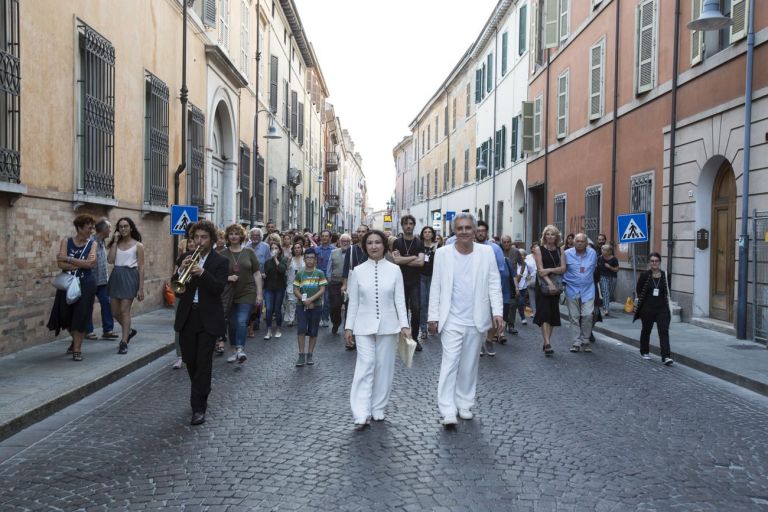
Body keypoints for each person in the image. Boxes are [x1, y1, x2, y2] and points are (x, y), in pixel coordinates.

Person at [428, 213, 503, 428]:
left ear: (475, 230)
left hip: (476, 318)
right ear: (454, 230)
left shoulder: (486, 252)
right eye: (459, 228)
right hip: (451, 319)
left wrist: (497, 312)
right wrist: (433, 316)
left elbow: (493, 284)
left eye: (468, 228)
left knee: (469, 365)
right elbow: (436, 286)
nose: (464, 232)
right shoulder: (442, 254)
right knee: (450, 363)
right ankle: (447, 409)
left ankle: (465, 404)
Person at [345, 230, 410, 430]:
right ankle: (361, 412)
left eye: (378, 242)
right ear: (365, 246)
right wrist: (348, 327)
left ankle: (378, 407)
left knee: (384, 366)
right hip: (362, 326)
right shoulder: (357, 271)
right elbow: (353, 302)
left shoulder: (394, 270)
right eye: (370, 243)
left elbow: (400, 299)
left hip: (389, 325)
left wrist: (405, 325)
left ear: (384, 245)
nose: (374, 246)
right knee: (366, 364)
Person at [174, 220, 228, 425]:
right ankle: (201, 389)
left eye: (204, 237)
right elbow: (175, 284)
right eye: (196, 237)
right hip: (188, 316)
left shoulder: (220, 262)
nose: (199, 241)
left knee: (204, 362)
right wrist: (182, 272)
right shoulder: (184, 258)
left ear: (212, 239)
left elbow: (218, 288)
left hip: (208, 318)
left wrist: (202, 273)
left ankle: (198, 407)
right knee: (190, 360)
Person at [47, 214, 98, 362]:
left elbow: (89, 264)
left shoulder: (92, 244)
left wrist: (68, 259)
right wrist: (80, 263)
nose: (91, 230)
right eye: (89, 227)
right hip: (67, 284)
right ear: (79, 228)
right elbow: (60, 264)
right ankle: (75, 340)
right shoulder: (66, 241)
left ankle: (77, 349)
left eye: (92, 227)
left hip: (86, 284)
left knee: (81, 316)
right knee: (65, 315)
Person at [221, 224, 263, 363]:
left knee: (241, 320)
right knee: (232, 323)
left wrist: (259, 294)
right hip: (229, 293)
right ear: (228, 237)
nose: (233, 236)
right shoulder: (222, 254)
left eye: (236, 234)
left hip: (248, 291)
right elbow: (217, 275)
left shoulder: (249, 252)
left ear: (241, 237)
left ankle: (240, 349)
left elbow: (257, 274)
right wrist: (227, 277)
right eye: (231, 234)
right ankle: (233, 350)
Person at [107, 217, 144, 355]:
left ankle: (124, 342)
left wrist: (140, 288)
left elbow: (141, 267)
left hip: (130, 277)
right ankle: (128, 330)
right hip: (116, 275)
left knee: (124, 310)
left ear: (131, 228)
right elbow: (110, 260)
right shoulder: (115, 244)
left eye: (126, 226)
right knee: (114, 312)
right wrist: (115, 242)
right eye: (120, 226)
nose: (123, 229)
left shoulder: (138, 245)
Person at [475, 220, 509, 356]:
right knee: (476, 316)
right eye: (478, 231)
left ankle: (489, 340)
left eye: (483, 231)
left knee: (494, 316)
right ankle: (478, 343)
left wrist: (497, 288)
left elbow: (501, 269)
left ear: (487, 232)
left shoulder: (494, 248)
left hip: (491, 288)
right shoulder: (469, 247)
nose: (480, 233)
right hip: (475, 289)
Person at [634, 253, 674, 365]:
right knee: (646, 330)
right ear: (649, 262)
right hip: (648, 308)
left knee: (664, 331)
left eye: (656, 261)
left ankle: (666, 357)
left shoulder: (665, 275)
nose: (654, 263)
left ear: (660, 262)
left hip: (662, 308)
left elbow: (667, 291)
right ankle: (644, 351)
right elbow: (639, 290)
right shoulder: (644, 275)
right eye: (652, 261)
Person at [392, 215, 424, 351]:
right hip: (400, 282)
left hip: (415, 282)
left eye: (411, 223)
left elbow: (421, 262)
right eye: (406, 224)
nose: (408, 226)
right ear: (402, 226)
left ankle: (415, 338)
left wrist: (403, 259)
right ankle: (404, 338)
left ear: (414, 225)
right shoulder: (397, 242)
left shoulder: (419, 243)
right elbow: (396, 261)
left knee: (416, 311)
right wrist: (412, 257)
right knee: (402, 311)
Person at [533, 226, 566, 356]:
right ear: (544, 236)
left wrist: (550, 270)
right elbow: (540, 270)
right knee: (545, 313)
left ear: (556, 236)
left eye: (552, 234)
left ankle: (547, 341)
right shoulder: (538, 249)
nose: (550, 236)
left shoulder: (560, 250)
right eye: (547, 234)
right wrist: (549, 282)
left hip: (556, 285)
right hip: (542, 285)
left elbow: (563, 268)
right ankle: (547, 343)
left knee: (552, 313)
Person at [562, 233, 598, 353]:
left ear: (586, 243)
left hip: (588, 289)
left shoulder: (592, 253)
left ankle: (586, 340)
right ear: (573, 242)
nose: (579, 243)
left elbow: (595, 269)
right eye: (577, 241)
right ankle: (576, 342)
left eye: (582, 241)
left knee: (588, 315)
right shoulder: (567, 254)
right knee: (574, 317)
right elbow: (562, 269)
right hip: (571, 289)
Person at [293, 247, 327, 366]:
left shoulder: (319, 273)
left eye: (312, 258)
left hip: (316, 305)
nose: (309, 260)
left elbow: (322, 289)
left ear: (315, 260)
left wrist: (311, 300)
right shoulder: (300, 273)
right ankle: (301, 355)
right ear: (304, 259)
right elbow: (296, 289)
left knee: (313, 330)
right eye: (307, 257)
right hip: (301, 305)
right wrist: (304, 300)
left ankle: (310, 354)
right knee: (301, 329)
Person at [85, 218, 118, 341]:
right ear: (104, 229)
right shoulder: (90, 242)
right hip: (91, 280)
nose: (110, 230)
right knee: (88, 305)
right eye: (109, 228)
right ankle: (88, 331)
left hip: (103, 281)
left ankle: (108, 330)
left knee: (107, 303)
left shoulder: (102, 242)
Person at [171, 237, 196, 369]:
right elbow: (174, 278)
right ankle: (179, 356)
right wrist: (181, 269)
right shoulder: (183, 257)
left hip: (197, 297)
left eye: (194, 241)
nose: (192, 244)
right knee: (179, 325)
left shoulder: (205, 257)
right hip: (182, 295)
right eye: (190, 242)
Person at [245, 228, 270, 334]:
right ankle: (249, 320)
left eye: (257, 235)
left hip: (261, 277)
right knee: (250, 299)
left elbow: (268, 262)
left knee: (258, 299)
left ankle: (256, 321)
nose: (255, 237)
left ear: (260, 237)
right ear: (250, 236)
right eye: (253, 235)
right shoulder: (246, 247)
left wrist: (266, 274)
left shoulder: (265, 247)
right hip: (248, 278)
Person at [327, 234, 351, 338]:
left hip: (350, 283)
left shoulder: (353, 253)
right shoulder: (333, 252)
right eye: (343, 241)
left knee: (349, 307)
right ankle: (336, 323)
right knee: (335, 306)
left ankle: (348, 327)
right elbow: (329, 268)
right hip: (335, 283)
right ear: (339, 242)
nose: (345, 243)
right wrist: (328, 280)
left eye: (347, 241)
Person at [263, 240, 287, 340]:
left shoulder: (283, 259)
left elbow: (282, 270)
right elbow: (266, 273)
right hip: (269, 288)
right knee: (268, 309)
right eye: (272, 248)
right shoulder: (267, 262)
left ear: (279, 250)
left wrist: (276, 259)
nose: (274, 250)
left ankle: (278, 329)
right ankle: (268, 330)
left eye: (276, 248)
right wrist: (263, 275)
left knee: (277, 309)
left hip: (279, 288)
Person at [418, 226, 437, 341]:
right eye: (425, 232)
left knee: (433, 303)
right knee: (423, 304)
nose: (427, 234)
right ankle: (423, 329)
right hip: (421, 276)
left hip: (434, 277)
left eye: (430, 232)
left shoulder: (437, 246)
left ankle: (433, 325)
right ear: (422, 234)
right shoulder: (419, 246)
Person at [315, 230, 335, 328]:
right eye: (322, 236)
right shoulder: (316, 250)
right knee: (317, 299)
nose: (324, 238)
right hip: (317, 278)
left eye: (326, 236)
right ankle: (317, 318)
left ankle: (325, 318)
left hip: (329, 278)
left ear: (330, 238)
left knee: (327, 300)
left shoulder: (334, 250)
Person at [341, 224, 370, 293]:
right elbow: (346, 268)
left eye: (363, 232)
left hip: (368, 280)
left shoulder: (371, 248)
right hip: (353, 281)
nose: (360, 234)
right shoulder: (351, 249)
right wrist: (345, 284)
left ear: (368, 233)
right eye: (359, 232)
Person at [284, 241, 305, 327]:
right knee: (291, 302)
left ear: (301, 249)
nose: (297, 249)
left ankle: (302, 318)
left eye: (298, 248)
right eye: (295, 248)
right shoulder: (290, 259)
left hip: (303, 284)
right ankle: (291, 319)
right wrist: (288, 261)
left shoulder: (305, 258)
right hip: (292, 283)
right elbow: (286, 270)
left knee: (303, 301)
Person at [597, 245, 619, 317]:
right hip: (603, 277)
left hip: (612, 277)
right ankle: (606, 309)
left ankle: (605, 304)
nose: (602, 251)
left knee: (610, 293)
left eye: (604, 250)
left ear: (609, 251)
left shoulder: (614, 259)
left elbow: (617, 269)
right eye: (602, 250)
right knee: (605, 292)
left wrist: (610, 267)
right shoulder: (600, 258)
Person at [515, 249, 532, 326]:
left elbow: (530, 274)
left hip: (523, 287)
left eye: (523, 255)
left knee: (521, 303)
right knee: (515, 303)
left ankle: (522, 318)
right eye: (519, 254)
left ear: (525, 256)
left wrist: (528, 279)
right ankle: (513, 318)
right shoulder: (514, 264)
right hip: (514, 287)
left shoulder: (526, 265)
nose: (521, 256)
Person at [525, 242, 539, 318]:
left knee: (539, 296)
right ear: (531, 249)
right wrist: (527, 276)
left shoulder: (541, 256)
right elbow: (525, 267)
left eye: (537, 247)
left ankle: (540, 311)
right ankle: (534, 312)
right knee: (532, 296)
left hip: (540, 278)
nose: (535, 248)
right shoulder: (528, 257)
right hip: (531, 279)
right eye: (534, 247)